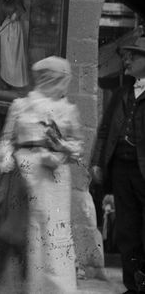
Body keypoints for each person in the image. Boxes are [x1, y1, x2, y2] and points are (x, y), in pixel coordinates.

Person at [0, 55, 82, 294]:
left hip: (55, 174)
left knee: (53, 226)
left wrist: (62, 148)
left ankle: (55, 287)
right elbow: (7, 139)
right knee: (26, 224)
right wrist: (6, 158)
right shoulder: (21, 105)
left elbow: (77, 148)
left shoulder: (68, 109)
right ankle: (25, 285)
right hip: (24, 169)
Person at [91, 36, 145, 294]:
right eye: (127, 55)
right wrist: (98, 162)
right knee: (126, 229)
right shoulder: (121, 93)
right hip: (122, 170)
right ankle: (131, 285)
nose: (127, 60)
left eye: (134, 56)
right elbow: (104, 131)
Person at [0, 0, 29, 88]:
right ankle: (7, 80)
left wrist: (15, 14)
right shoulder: (3, 2)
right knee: (6, 56)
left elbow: (22, 10)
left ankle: (16, 81)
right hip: (5, 30)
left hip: (15, 29)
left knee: (14, 56)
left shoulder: (15, 0)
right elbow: (1, 18)